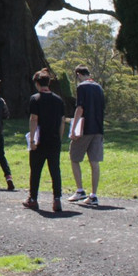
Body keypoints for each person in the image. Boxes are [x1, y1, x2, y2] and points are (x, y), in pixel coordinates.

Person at [25, 69, 67, 213]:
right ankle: (57, 199)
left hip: (40, 140)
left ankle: (33, 198)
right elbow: (62, 121)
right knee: (55, 170)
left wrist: (31, 139)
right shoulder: (58, 99)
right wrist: (59, 138)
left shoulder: (35, 99)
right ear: (48, 83)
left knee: (36, 170)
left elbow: (34, 119)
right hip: (54, 139)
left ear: (37, 83)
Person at [69, 64, 105, 206]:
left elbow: (80, 108)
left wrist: (74, 129)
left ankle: (79, 190)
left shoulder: (82, 87)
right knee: (94, 162)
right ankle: (93, 195)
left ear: (78, 74)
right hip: (98, 129)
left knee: (74, 157)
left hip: (85, 128)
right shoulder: (99, 87)